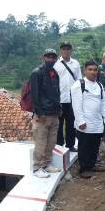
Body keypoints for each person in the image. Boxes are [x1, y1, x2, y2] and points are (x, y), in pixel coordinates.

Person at [71, 60, 105, 179]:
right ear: (85, 70)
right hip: (85, 123)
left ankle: (92, 165)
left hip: (97, 123)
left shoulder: (99, 85)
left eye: (95, 70)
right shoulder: (79, 84)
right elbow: (76, 105)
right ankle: (83, 169)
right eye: (90, 69)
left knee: (94, 146)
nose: (93, 72)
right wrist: (80, 121)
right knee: (84, 147)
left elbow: (104, 103)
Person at [30, 48, 62, 178]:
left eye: (53, 57)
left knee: (51, 142)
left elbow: (57, 92)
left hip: (54, 113)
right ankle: (37, 167)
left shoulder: (54, 73)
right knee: (41, 141)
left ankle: (47, 164)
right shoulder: (37, 73)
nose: (51, 59)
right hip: (43, 114)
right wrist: (40, 112)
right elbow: (35, 95)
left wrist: (59, 109)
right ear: (43, 57)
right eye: (48, 57)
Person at [53, 42, 82, 152]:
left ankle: (70, 145)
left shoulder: (75, 64)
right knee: (59, 124)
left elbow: (79, 80)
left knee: (71, 123)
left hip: (72, 99)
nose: (66, 51)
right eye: (64, 49)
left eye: (68, 49)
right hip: (59, 99)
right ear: (61, 50)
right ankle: (59, 145)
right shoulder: (56, 64)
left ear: (71, 50)